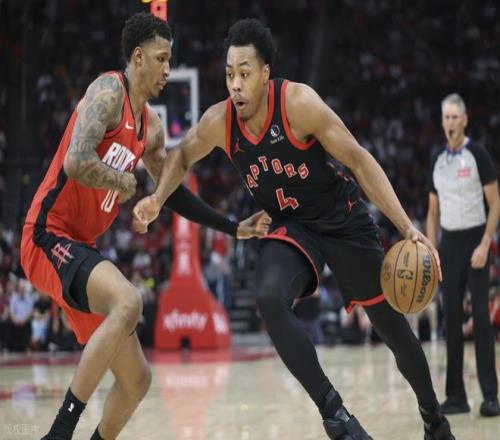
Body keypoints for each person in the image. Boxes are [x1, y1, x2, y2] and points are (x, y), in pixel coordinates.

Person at [132, 18, 455, 440]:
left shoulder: (298, 104)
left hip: (341, 221)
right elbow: (181, 155)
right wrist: (157, 199)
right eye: (229, 74)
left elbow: (359, 160)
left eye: (245, 73)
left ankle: (434, 419)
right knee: (268, 296)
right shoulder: (220, 121)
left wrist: (406, 226)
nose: (235, 85)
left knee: (392, 329)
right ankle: (336, 416)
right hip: (291, 227)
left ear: (265, 74)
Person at [20, 13, 269, 440]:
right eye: (161, 58)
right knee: (129, 301)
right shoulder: (107, 92)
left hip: (82, 246)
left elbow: (172, 192)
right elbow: (76, 161)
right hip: (47, 233)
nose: (168, 69)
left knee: (137, 380)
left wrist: (232, 228)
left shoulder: (151, 127)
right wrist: (121, 180)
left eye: (170, 60)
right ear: (137, 57)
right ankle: (58, 433)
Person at [426, 93, 500, 417]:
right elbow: (432, 211)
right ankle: (456, 396)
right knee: (451, 320)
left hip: (475, 239)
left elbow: (496, 203)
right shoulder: (437, 160)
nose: (451, 122)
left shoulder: (478, 155)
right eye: (446, 117)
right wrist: (431, 249)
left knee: (481, 318)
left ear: (465, 120)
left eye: (455, 117)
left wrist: (485, 244)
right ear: (442, 121)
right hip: (449, 244)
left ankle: (490, 396)